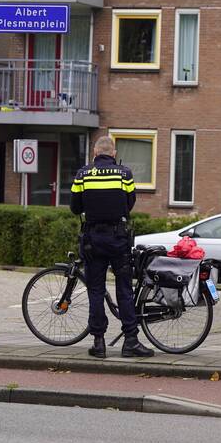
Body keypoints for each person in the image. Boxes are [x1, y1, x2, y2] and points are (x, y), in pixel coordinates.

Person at [70, 136, 154, 359]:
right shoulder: (124, 173)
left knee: (95, 291)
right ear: (113, 154)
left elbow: (74, 207)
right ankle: (131, 342)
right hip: (118, 239)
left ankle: (99, 343)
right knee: (124, 290)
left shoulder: (82, 174)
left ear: (95, 153)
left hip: (93, 239)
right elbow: (129, 204)